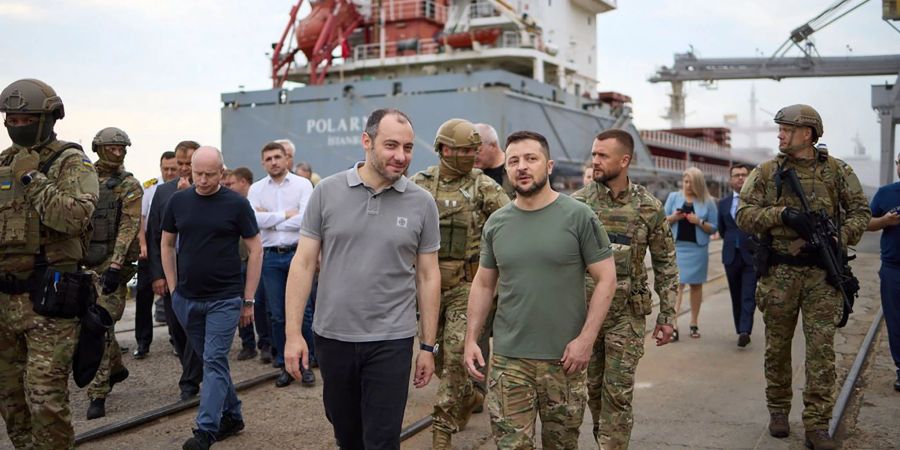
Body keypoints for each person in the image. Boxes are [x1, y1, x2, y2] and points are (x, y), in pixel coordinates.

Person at [283, 108, 441, 449]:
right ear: (366, 142)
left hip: (392, 339)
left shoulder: (422, 203)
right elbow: (304, 264)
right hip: (333, 337)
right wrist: (293, 334)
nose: (401, 156)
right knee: (347, 434)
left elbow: (429, 276)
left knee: (382, 440)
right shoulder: (326, 192)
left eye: (409, 148)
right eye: (391, 145)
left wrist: (428, 346)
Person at [463, 130, 617, 449]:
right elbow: (483, 283)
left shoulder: (578, 216)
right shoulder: (497, 223)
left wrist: (586, 341)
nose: (522, 166)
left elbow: (607, 279)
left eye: (531, 159)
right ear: (506, 169)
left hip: (564, 360)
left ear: (548, 166)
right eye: (514, 160)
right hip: (509, 361)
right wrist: (470, 339)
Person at [737, 104, 870, 450]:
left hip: (822, 275)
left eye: (786, 129)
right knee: (777, 349)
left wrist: (837, 237)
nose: (779, 134)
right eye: (779, 129)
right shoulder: (767, 172)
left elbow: (860, 211)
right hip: (780, 272)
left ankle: (817, 424)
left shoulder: (837, 171)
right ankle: (779, 411)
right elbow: (744, 215)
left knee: (821, 352)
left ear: (807, 133)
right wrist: (783, 215)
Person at [0, 79, 99, 449]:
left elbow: (74, 218)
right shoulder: (2, 163)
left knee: (45, 400)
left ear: (48, 118)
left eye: (25, 118)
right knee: (12, 400)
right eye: (11, 117)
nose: (16, 124)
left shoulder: (69, 161)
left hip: (48, 301)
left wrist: (32, 177)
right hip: (3, 302)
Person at [572, 128, 677, 448]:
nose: (596, 161)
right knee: (593, 391)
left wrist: (668, 315)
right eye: (593, 155)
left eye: (603, 155)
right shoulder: (577, 205)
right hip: (583, 315)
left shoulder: (648, 207)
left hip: (626, 316)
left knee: (617, 394)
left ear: (625, 160)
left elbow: (666, 263)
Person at [410, 118, 510, 449]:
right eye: (463, 150)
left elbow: (512, 221)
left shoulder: (483, 186)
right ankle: (466, 396)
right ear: (444, 149)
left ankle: (442, 433)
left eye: (473, 150)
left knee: (455, 358)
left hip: (465, 289)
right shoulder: (420, 184)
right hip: (427, 289)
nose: (469, 155)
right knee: (435, 356)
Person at [161, 147, 262, 450]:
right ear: (189, 170)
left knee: (214, 359)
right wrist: (173, 287)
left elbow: (256, 249)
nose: (202, 180)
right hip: (186, 298)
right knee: (212, 361)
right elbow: (166, 243)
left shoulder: (236, 204)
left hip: (225, 298)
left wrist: (248, 299)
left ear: (222, 172)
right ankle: (232, 415)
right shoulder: (178, 201)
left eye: (209, 174)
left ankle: (205, 430)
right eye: (197, 173)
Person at [83, 127, 143, 420]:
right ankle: (116, 368)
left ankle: (97, 393)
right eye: (113, 148)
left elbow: (128, 228)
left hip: (112, 269)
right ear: (99, 148)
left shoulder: (129, 185)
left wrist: (116, 264)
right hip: (83, 265)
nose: (118, 153)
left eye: (122, 148)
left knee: (100, 325)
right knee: (92, 325)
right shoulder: (82, 180)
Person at [248, 141, 316, 387]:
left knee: (304, 313)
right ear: (263, 162)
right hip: (270, 257)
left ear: (286, 158)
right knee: (277, 315)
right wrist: (286, 214)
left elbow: (306, 220)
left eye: (278, 157)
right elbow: (253, 221)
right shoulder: (256, 189)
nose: (274, 162)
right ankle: (284, 364)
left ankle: (306, 366)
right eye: (269, 158)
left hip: (298, 254)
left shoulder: (303, 184)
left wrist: (271, 219)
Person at [147, 140, 204, 400]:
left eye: (187, 164)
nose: (182, 169)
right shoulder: (162, 192)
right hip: (170, 271)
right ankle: (191, 369)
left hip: (199, 270)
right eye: (179, 164)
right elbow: (154, 235)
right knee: (176, 327)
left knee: (196, 325)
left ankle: (189, 381)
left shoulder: (208, 190)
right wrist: (156, 274)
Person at [223, 167, 274, 364]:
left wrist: (265, 214)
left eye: (231, 184)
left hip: (256, 261)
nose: (227, 187)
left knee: (260, 304)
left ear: (243, 182)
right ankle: (247, 344)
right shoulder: (228, 204)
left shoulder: (258, 199)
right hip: (236, 262)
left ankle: (266, 344)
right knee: (239, 304)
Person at [664, 167, 718, 340]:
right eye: (685, 181)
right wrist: (674, 217)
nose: (687, 185)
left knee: (696, 286)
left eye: (690, 182)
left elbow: (714, 228)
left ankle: (694, 323)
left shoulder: (708, 202)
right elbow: (661, 222)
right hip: (677, 248)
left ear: (698, 184)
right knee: (676, 286)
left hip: (697, 250)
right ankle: (673, 325)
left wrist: (699, 221)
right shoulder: (673, 197)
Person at [134, 150, 178, 359]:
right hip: (150, 247)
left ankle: (175, 339)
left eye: (173, 169)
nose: (169, 173)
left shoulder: (181, 187)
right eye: (165, 169)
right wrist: (142, 245)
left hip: (170, 248)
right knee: (143, 295)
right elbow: (141, 219)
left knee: (171, 295)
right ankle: (143, 342)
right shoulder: (151, 187)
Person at [866, 152, 900, 391]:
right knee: (896, 322)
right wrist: (885, 220)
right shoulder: (885, 193)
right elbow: (866, 223)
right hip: (893, 268)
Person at [718, 163, 758, 348]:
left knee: (748, 294)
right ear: (730, 179)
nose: (740, 178)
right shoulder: (723, 204)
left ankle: (745, 330)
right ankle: (739, 329)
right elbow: (722, 229)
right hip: (730, 256)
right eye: (736, 175)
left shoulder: (756, 202)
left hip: (750, 255)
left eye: (744, 175)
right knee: (736, 294)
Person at [474, 123, 514, 198]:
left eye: (477, 151)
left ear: (492, 146)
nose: (473, 156)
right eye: (469, 151)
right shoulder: (472, 174)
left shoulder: (514, 170)